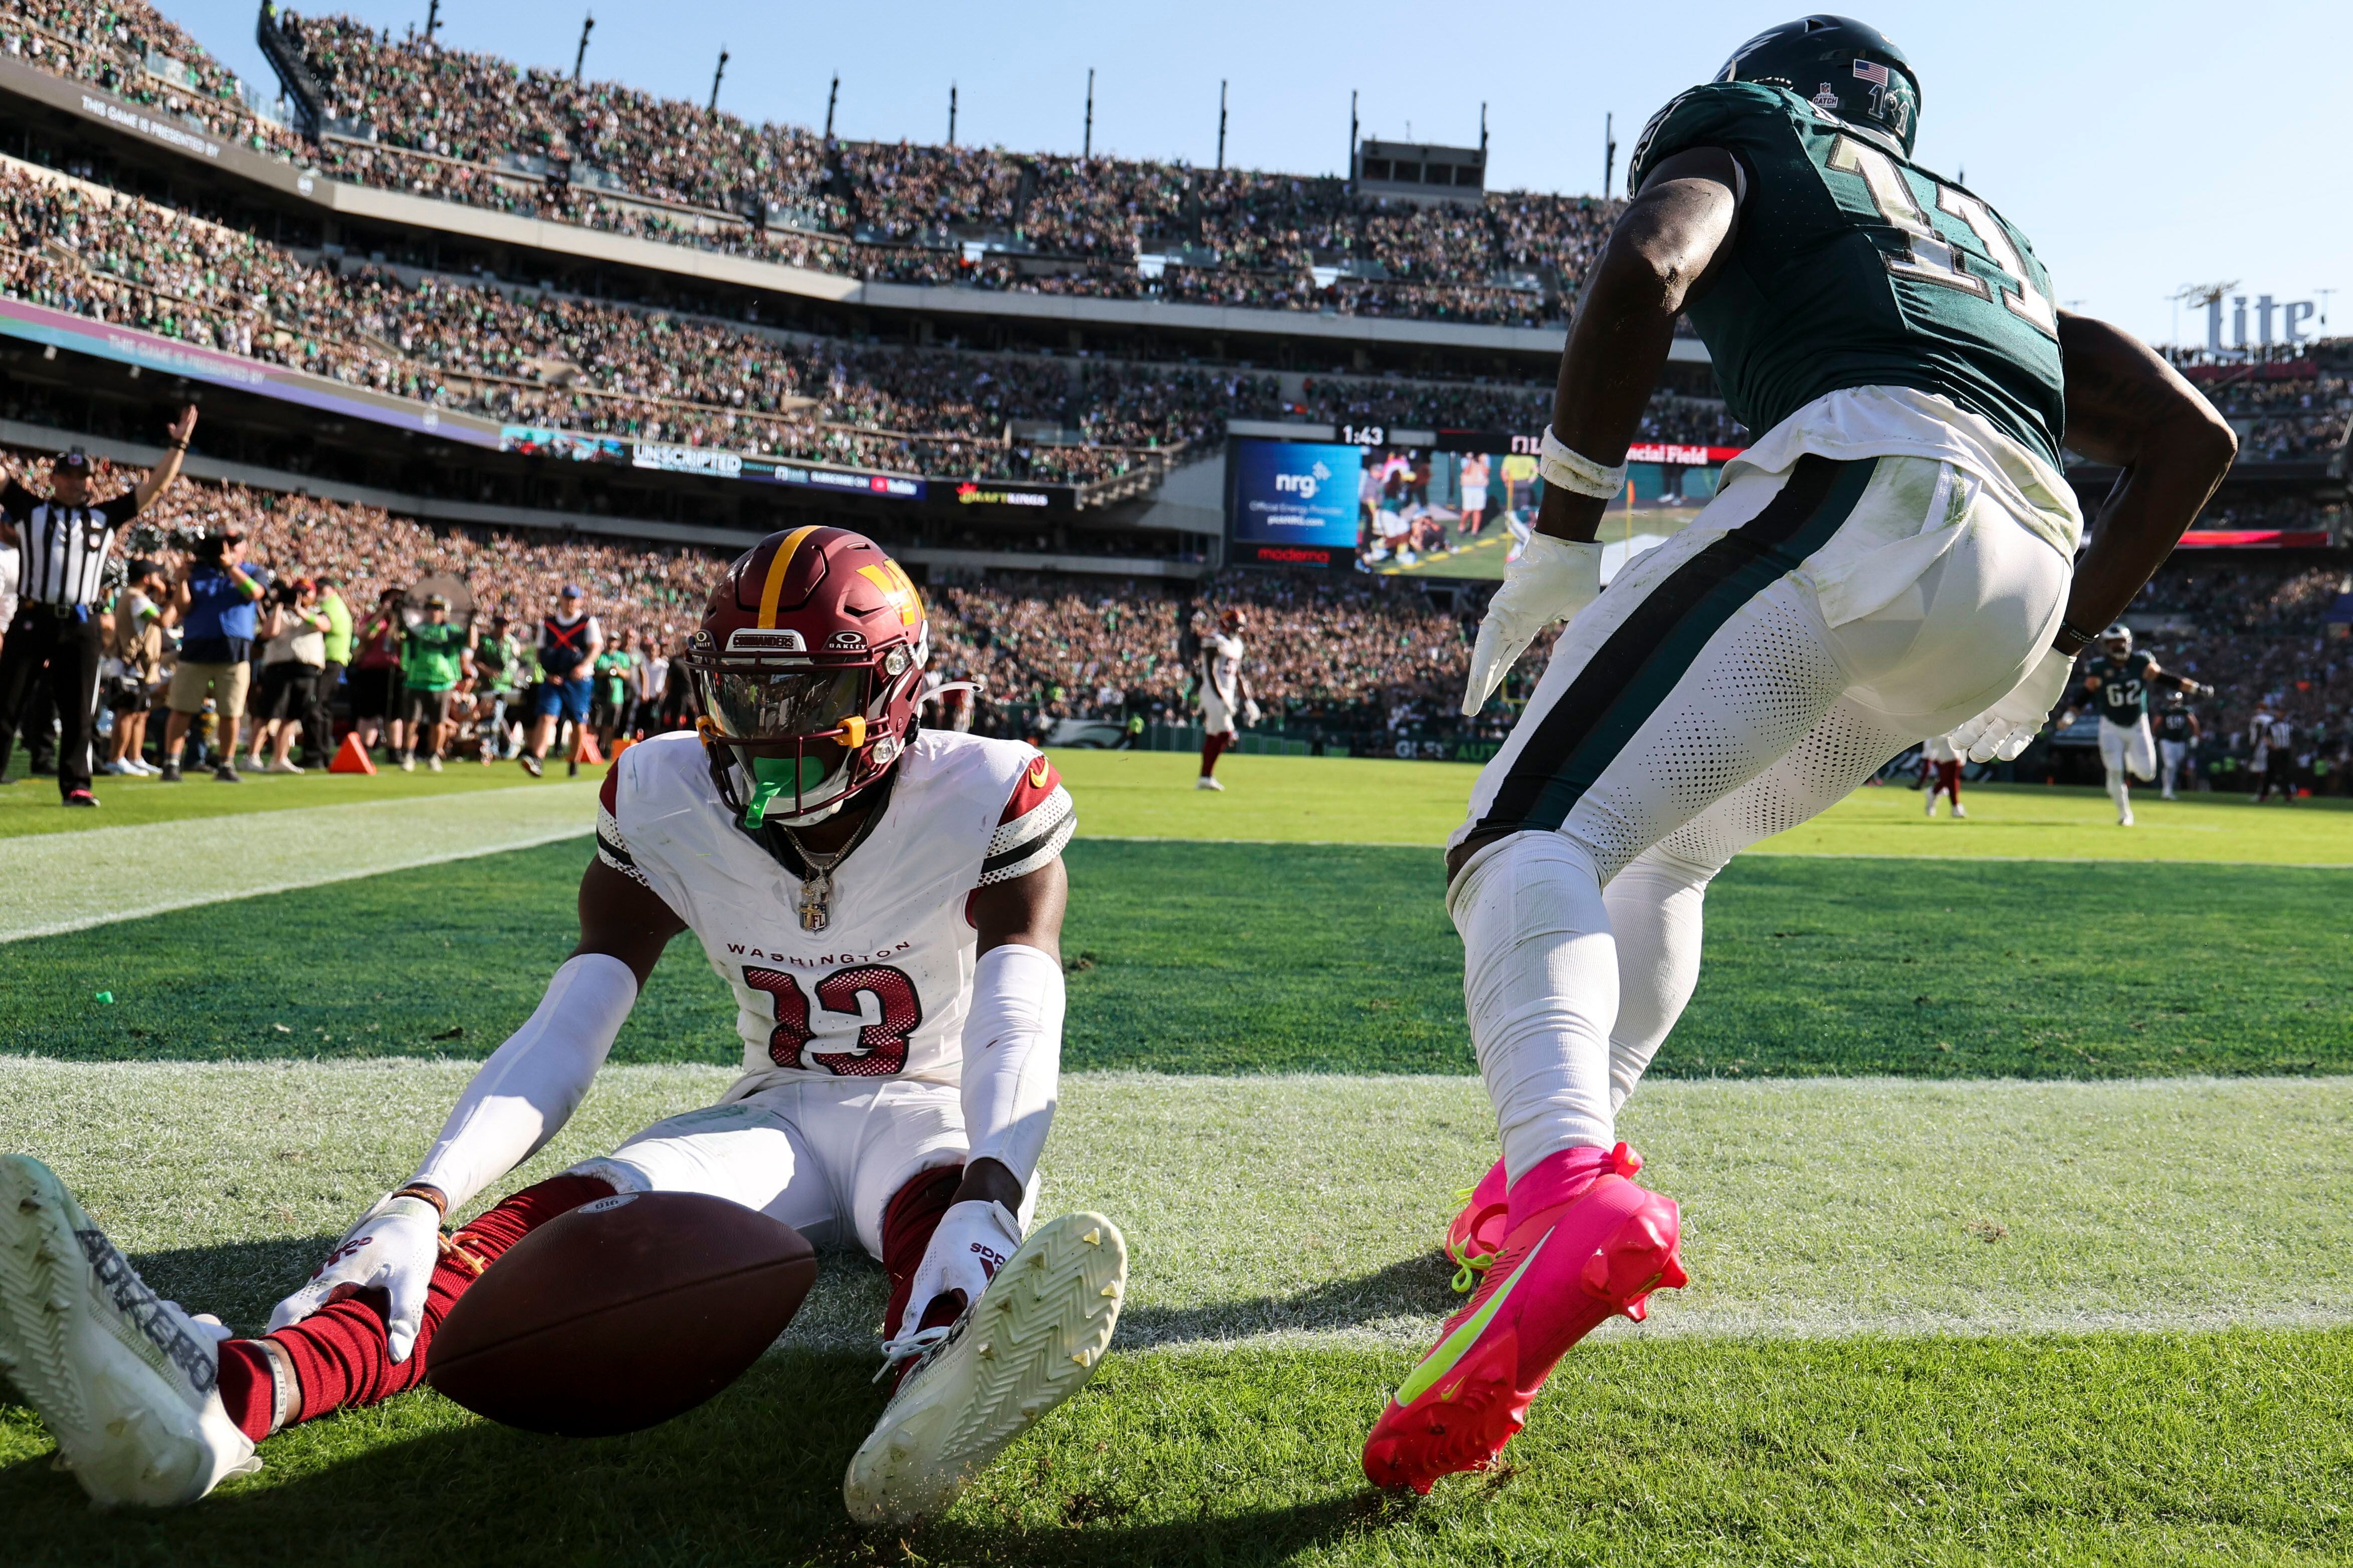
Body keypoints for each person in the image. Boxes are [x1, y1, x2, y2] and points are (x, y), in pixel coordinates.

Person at [1383, 17, 2236, 1494]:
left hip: (1869, 485)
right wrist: (2049, 645)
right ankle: (1559, 1162)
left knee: (1522, 833)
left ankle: (1562, 1188)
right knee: (1668, 842)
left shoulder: (1751, 134)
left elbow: (1652, 258)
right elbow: (2188, 439)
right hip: (2018, 559)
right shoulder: (1989, 242)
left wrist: (1564, 524)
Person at [0, 527, 1122, 1524]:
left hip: (927, 1110)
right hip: (773, 1110)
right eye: (746, 695)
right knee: (532, 1233)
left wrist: (992, 1188)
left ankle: (936, 1382)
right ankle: (228, 1397)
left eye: (805, 697)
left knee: (951, 1239)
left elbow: (1023, 998)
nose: (768, 731)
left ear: (894, 692)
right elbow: (579, 1010)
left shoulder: (984, 787)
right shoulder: (663, 788)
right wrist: (424, 1195)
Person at [0, 410, 196, 804]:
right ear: (53, 479)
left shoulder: (104, 517)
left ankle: (76, 783)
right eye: (67, 476)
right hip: (34, 616)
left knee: (78, 710)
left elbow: (156, 488)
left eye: (82, 477)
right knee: (7, 703)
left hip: (81, 621)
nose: (75, 483)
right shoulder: (29, 509)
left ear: (92, 481)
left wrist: (179, 444)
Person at [159, 523, 268, 784]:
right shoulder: (198, 572)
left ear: (244, 548)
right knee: (182, 707)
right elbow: (183, 608)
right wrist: (181, 580)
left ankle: (226, 764)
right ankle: (172, 763)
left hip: (234, 649)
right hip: (197, 647)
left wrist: (230, 567)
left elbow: (255, 593)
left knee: (231, 711)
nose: (227, 548)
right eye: (223, 543)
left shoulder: (253, 571)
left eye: (233, 544)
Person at [2074, 623, 2206, 826]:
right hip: (2111, 725)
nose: (2119, 647)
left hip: (2137, 723)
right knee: (2115, 771)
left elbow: (2168, 679)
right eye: (2114, 643)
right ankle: (2124, 814)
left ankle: (2124, 762)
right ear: (2106, 646)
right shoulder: (2099, 668)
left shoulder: (2141, 662)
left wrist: (2196, 689)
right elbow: (2085, 695)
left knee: (2147, 773)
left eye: (2122, 642)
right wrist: (2069, 715)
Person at [248, 579, 330, 773]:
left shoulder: (317, 613)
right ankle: (252, 755)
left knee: (291, 717)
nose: (301, 596)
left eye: (305, 592)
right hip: (280, 669)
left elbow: (323, 625)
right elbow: (269, 633)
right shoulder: (279, 614)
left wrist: (299, 609)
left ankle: (280, 758)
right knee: (268, 713)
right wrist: (279, 607)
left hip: (306, 670)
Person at [524, 583, 601, 777]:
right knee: (547, 716)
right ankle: (537, 759)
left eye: (574, 599)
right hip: (554, 678)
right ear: (562, 599)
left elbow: (595, 647)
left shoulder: (587, 622)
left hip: (579, 679)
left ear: (580, 601)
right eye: (567, 598)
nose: (570, 602)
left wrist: (583, 666)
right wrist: (547, 672)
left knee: (578, 721)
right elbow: (540, 650)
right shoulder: (549, 623)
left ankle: (574, 762)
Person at [104, 559, 168, 776]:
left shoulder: (136, 597)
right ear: (147, 578)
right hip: (129, 665)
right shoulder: (136, 598)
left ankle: (135, 756)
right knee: (128, 712)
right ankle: (117, 758)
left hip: (137, 665)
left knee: (140, 712)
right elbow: (163, 621)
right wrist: (176, 600)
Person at [396, 593, 473, 773]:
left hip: (442, 682)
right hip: (416, 680)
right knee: (411, 722)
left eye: (438, 609)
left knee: (438, 722)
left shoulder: (450, 631)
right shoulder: (416, 629)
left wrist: (471, 621)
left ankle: (433, 755)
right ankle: (408, 754)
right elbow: (399, 635)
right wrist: (399, 613)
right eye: (431, 608)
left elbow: (469, 642)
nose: (434, 612)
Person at [1195, 607, 1259, 791]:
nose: (1238, 629)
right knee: (1226, 734)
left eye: (1240, 626)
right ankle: (1206, 777)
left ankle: (1205, 777)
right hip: (1213, 692)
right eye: (1235, 625)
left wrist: (1248, 700)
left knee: (1213, 735)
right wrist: (1220, 695)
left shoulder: (1237, 645)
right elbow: (1209, 670)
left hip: (1227, 693)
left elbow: (1238, 675)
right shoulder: (1215, 640)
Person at [309, 575, 353, 767]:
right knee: (324, 708)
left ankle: (316, 754)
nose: (319, 593)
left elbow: (321, 623)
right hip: (336, 660)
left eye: (322, 589)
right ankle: (322, 753)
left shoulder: (330, 607)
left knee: (316, 706)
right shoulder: (337, 605)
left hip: (330, 660)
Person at [2155, 689, 2199, 799]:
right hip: (2167, 741)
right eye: (2173, 701)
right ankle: (2167, 790)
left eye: (2176, 701)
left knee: (2175, 766)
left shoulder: (2184, 711)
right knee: (2170, 765)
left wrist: (2194, 736)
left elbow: (2194, 724)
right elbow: (2156, 724)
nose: (2175, 703)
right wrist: (2154, 735)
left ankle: (2169, 789)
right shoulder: (2164, 712)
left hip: (2180, 742)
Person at [2251, 707, 2295, 804]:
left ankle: (2288, 797)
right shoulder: (2271, 725)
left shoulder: (2288, 725)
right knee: (2269, 774)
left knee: (2285, 774)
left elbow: (2291, 738)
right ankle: (2263, 796)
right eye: (2280, 712)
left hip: (2285, 751)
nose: (2281, 715)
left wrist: (2289, 748)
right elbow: (2265, 737)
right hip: (2274, 752)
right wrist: (2273, 746)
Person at [1921, 731, 1964, 818]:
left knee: (1950, 781)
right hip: (1944, 758)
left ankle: (1933, 793)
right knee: (1951, 781)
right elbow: (1933, 745)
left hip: (1955, 757)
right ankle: (1955, 807)